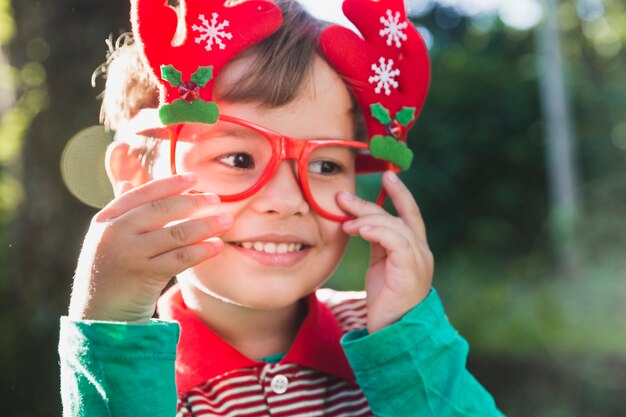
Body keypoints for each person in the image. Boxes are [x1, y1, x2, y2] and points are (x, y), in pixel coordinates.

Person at [59, 0, 505, 416]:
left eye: (326, 164)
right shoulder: (130, 375)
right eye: (238, 159)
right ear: (135, 177)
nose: (288, 201)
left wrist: (410, 345)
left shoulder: (393, 338)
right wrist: (111, 338)